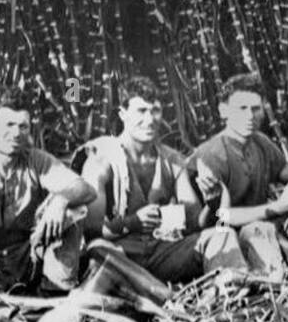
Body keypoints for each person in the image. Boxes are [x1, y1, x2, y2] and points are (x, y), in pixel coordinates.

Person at [80, 77, 246, 282]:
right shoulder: (103, 159)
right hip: (120, 257)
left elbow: (194, 223)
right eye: (141, 111)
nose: (150, 119)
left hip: (161, 253)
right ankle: (152, 291)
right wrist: (132, 223)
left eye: (155, 110)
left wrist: (211, 204)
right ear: (123, 114)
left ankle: (234, 289)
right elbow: (91, 232)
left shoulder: (172, 161)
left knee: (222, 235)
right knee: (97, 250)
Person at [0, 85, 96, 293]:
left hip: (27, 258)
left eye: (23, 126)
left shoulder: (35, 160)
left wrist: (60, 201)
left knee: (74, 210)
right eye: (9, 125)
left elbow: (87, 189)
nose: (16, 133)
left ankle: (56, 291)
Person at [188, 73, 288, 279]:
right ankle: (284, 275)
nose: (250, 116)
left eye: (256, 109)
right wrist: (280, 206)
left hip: (268, 224)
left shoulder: (260, 142)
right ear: (223, 111)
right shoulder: (211, 155)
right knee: (257, 230)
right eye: (241, 109)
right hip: (230, 240)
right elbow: (221, 217)